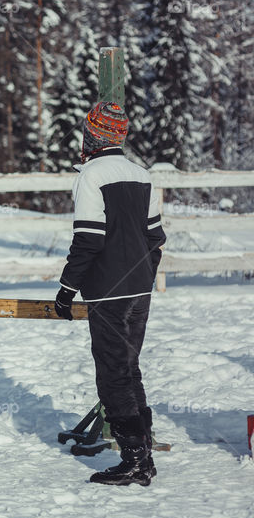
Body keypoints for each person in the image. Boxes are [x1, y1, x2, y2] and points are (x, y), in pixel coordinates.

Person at [54, 101, 166, 486]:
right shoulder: (141, 174)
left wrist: (67, 288)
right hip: (139, 289)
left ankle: (134, 460)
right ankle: (143, 454)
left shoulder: (91, 175)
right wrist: (144, 276)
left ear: (93, 134)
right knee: (129, 368)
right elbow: (155, 238)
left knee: (113, 374)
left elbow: (88, 237)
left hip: (108, 291)